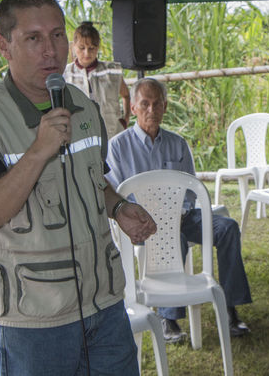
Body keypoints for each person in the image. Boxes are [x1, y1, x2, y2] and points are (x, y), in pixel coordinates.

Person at [0, 0, 156, 375]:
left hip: (103, 306)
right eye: (33, 38)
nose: (50, 50)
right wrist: (38, 150)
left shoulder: (84, 107)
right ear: (4, 46)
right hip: (32, 321)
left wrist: (120, 207)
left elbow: (95, 182)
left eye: (57, 35)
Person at [105, 78, 252, 342]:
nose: (152, 110)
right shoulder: (118, 146)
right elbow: (116, 193)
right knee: (176, 239)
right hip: (144, 223)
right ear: (134, 108)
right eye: (145, 104)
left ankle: (230, 307)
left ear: (165, 106)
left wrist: (180, 211)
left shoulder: (177, 143)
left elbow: (191, 189)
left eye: (157, 103)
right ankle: (168, 317)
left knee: (227, 227)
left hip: (181, 217)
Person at [64, 21, 131, 138]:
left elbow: (126, 95)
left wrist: (126, 118)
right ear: (73, 46)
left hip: (112, 133)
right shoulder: (65, 73)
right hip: (79, 135)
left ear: (98, 47)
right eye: (82, 48)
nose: (86, 53)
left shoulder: (112, 71)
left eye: (91, 48)